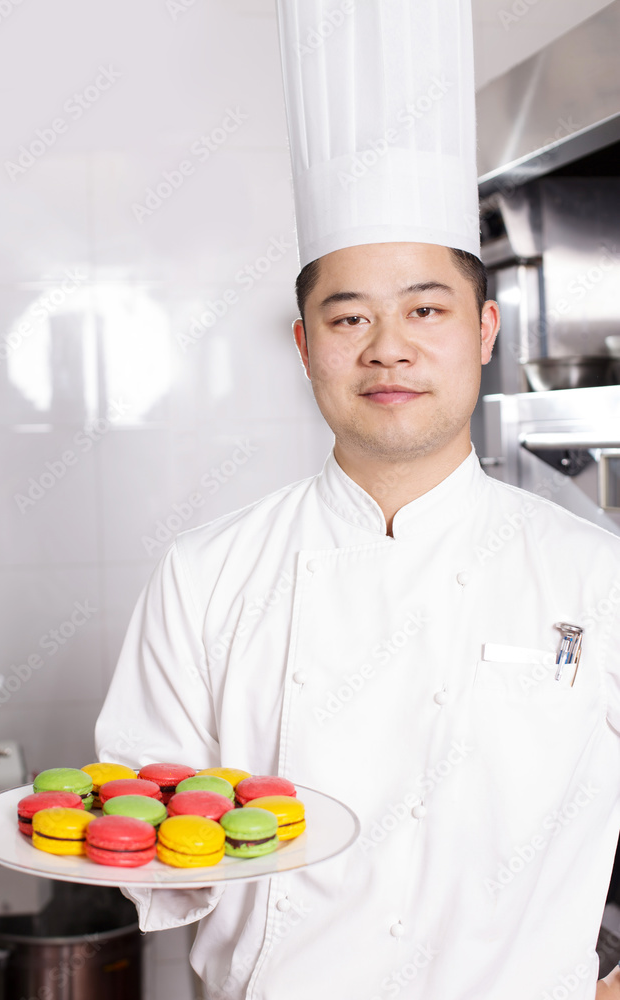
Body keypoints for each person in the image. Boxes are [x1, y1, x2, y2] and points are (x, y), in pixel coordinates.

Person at [96, 237, 620, 999]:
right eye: (348, 321)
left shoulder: (594, 570)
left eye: (425, 310)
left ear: (483, 331)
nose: (388, 351)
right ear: (305, 346)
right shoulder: (205, 572)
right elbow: (145, 817)